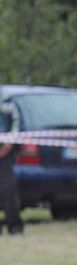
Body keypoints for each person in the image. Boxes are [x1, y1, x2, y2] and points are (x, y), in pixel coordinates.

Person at [0, 100, 24, 236]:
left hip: (6, 150)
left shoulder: (6, 102)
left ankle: (15, 227)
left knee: (7, 188)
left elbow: (17, 124)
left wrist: (8, 144)